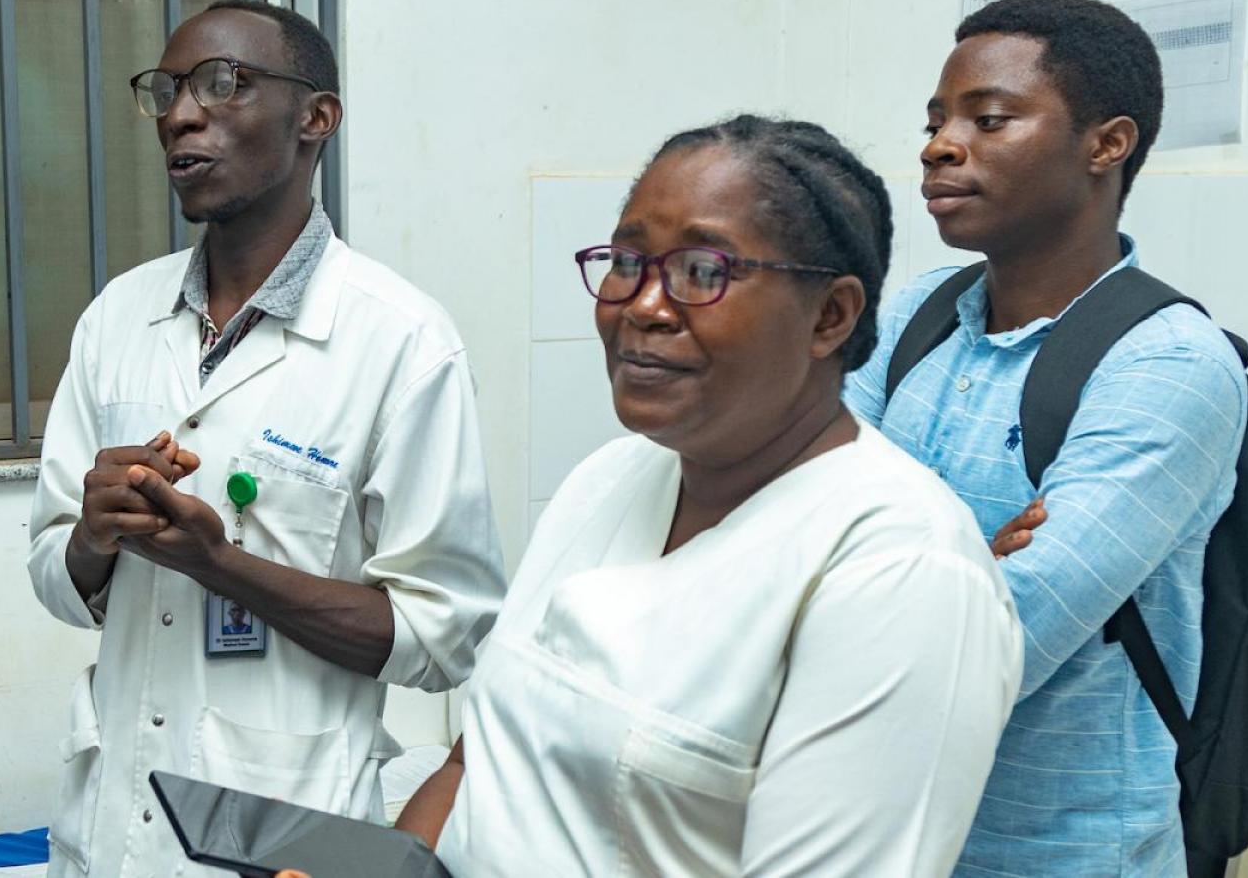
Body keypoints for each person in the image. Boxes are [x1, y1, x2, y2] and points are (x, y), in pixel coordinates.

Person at [397, 115, 1022, 876]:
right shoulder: (609, 480)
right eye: (628, 260)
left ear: (830, 316)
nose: (644, 305)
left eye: (701, 271)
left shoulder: (899, 569)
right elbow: (480, 762)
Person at [27, 0, 506, 878]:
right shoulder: (117, 320)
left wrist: (223, 564)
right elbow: (55, 579)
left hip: (291, 833)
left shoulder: (399, 341)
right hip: (113, 829)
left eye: (225, 83)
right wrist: (94, 539)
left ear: (316, 118)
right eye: (167, 91)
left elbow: (446, 639)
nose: (180, 112)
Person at [843, 0, 1248, 876]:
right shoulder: (918, 313)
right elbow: (792, 528)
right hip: (885, 837)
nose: (940, 145)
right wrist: (970, 559)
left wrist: (882, 564)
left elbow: (992, 649)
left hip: (1064, 855)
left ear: (1107, 144)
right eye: (937, 121)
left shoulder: (1171, 365)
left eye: (989, 120)